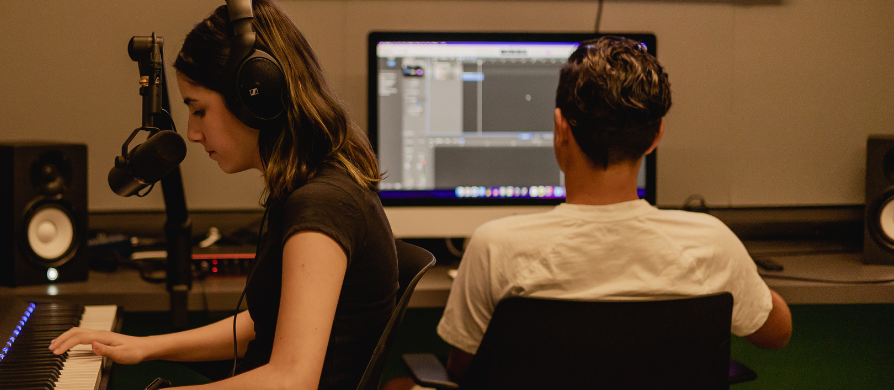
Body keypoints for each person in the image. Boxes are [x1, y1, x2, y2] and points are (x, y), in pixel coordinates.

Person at [50, 1, 399, 389]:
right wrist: (146, 346)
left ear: (257, 97)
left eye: (199, 110)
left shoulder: (322, 207)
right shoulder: (312, 189)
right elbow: (264, 323)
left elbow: (291, 379)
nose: (192, 133)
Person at [434, 36, 793, 382]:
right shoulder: (711, 243)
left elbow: (463, 370)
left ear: (560, 129)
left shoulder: (495, 246)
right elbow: (776, 333)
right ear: (656, 136)